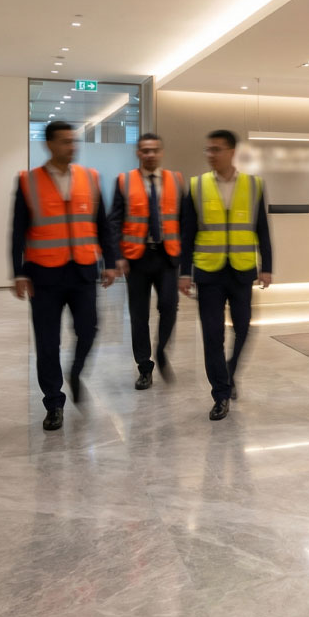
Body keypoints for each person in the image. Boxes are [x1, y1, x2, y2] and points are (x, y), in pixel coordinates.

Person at [11, 120, 117, 430]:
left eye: (74, 141)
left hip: (83, 271)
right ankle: (54, 402)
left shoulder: (90, 178)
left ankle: (76, 371)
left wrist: (109, 261)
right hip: (43, 274)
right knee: (47, 342)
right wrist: (18, 272)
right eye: (65, 142)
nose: (72, 147)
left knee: (89, 330)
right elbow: (18, 231)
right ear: (49, 145)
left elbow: (102, 225)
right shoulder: (29, 182)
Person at [179, 130, 272, 421]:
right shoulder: (196, 186)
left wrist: (267, 266)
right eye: (208, 150)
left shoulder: (253, 185)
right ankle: (220, 394)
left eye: (216, 149)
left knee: (244, 327)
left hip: (242, 270)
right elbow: (187, 233)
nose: (211, 155)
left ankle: (229, 372)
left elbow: (262, 229)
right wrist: (184, 272)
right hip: (209, 272)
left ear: (232, 151)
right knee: (212, 334)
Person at [109, 133, 184, 390]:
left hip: (167, 256)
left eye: (154, 150)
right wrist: (117, 256)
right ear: (138, 153)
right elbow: (115, 221)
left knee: (169, 307)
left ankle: (161, 350)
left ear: (161, 152)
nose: (150, 154)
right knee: (139, 316)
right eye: (145, 150)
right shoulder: (124, 181)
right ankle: (145, 366)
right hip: (137, 259)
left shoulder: (175, 180)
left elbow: (184, 220)